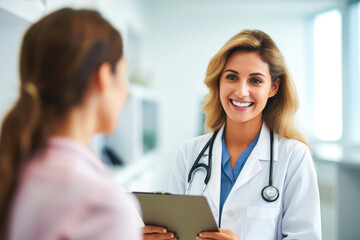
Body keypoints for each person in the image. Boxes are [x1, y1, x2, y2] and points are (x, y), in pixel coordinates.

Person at [0, 8, 141, 240]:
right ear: (104, 77)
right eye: (123, 75)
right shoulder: (105, 206)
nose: (126, 92)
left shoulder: (16, 170)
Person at [168, 29, 322, 239]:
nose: (241, 91)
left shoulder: (294, 157)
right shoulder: (189, 153)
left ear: (273, 87)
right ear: (218, 82)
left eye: (255, 80)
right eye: (232, 77)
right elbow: (177, 230)